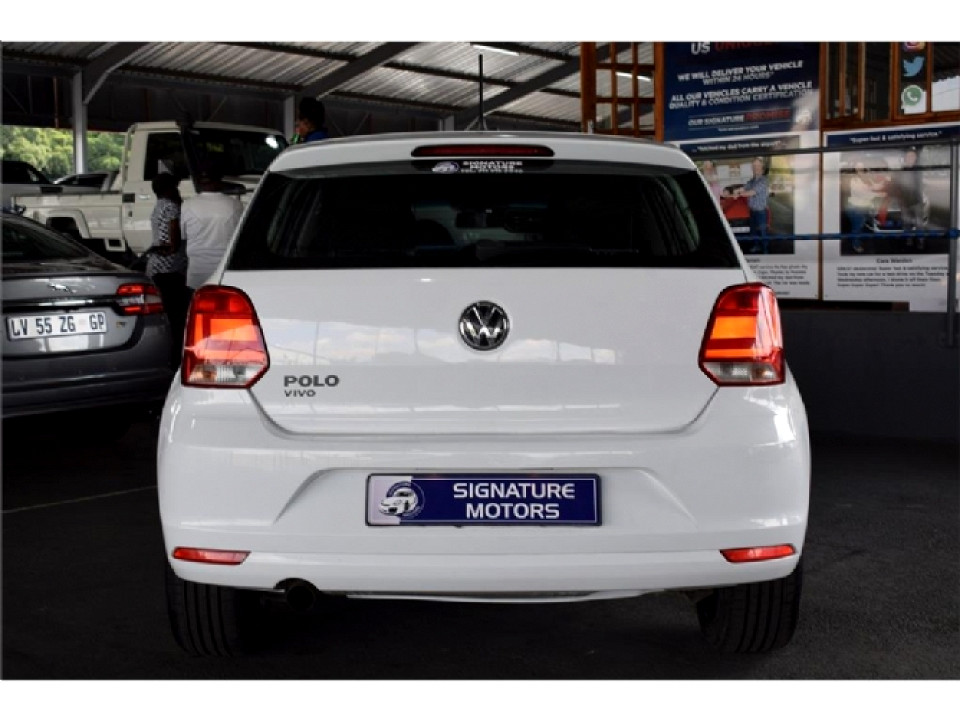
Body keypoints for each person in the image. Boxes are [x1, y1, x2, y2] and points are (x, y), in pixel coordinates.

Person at [180, 160, 244, 292]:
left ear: (199, 182)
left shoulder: (187, 205)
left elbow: (183, 236)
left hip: (197, 272)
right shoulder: (235, 205)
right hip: (224, 271)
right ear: (220, 180)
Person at [147, 172, 189, 355]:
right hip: (170, 267)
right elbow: (174, 242)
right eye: (175, 187)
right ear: (169, 188)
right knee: (177, 314)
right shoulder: (172, 207)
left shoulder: (158, 206)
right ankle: (176, 351)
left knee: (166, 312)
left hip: (156, 266)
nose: (178, 190)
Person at [844, 160, 885, 253]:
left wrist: (883, 182)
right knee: (857, 228)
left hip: (863, 207)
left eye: (862, 166)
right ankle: (856, 245)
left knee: (860, 225)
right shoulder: (853, 179)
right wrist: (878, 195)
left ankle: (859, 238)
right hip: (855, 207)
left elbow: (874, 186)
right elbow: (861, 194)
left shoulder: (866, 178)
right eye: (858, 166)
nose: (860, 168)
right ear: (855, 168)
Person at [734, 157, 771, 254]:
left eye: (758, 166)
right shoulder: (752, 180)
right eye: (754, 166)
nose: (755, 168)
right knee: (753, 231)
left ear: (762, 167)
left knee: (762, 232)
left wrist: (739, 194)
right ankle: (756, 246)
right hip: (752, 211)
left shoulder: (763, 180)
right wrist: (736, 190)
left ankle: (765, 250)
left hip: (761, 211)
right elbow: (745, 187)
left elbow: (752, 192)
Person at [893, 147, 926, 250]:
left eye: (913, 156)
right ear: (905, 157)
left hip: (917, 202)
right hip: (904, 202)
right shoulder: (900, 171)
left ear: (915, 158)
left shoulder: (919, 170)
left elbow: (921, 185)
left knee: (919, 224)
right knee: (906, 223)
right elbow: (897, 186)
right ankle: (909, 240)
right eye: (909, 156)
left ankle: (920, 241)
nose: (911, 158)